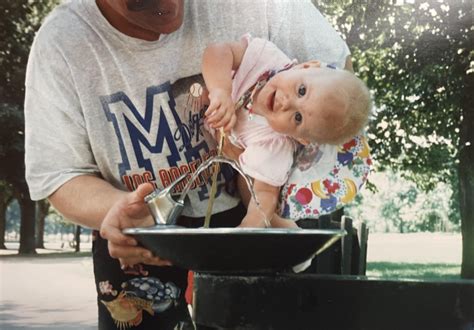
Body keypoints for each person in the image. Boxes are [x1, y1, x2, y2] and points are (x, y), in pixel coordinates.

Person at [24, 0, 353, 328]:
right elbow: (60, 176)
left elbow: (341, 92)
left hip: (254, 230)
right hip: (141, 238)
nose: (169, 6)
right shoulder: (63, 43)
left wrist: (272, 181)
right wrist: (122, 209)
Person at [202, 35, 371, 228]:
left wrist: (249, 226)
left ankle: (292, 241)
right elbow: (219, 49)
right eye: (301, 90)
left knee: (250, 185)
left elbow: (265, 194)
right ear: (307, 67)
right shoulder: (266, 60)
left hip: (206, 153)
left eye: (298, 117)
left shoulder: (275, 145)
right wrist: (220, 90)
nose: (286, 102)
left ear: (300, 138)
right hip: (198, 93)